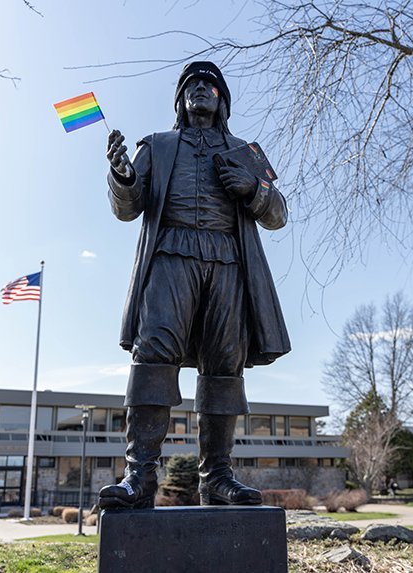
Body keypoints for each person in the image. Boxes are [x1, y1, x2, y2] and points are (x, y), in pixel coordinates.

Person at [99, 61, 291, 510]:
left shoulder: (248, 152)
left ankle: (218, 478)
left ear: (222, 99)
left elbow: (278, 214)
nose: (202, 89)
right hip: (171, 257)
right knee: (154, 353)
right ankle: (139, 475)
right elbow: (127, 209)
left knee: (225, 363)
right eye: (192, 85)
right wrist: (123, 177)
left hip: (228, 261)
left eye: (210, 85)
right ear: (181, 100)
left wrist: (253, 190)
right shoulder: (158, 146)